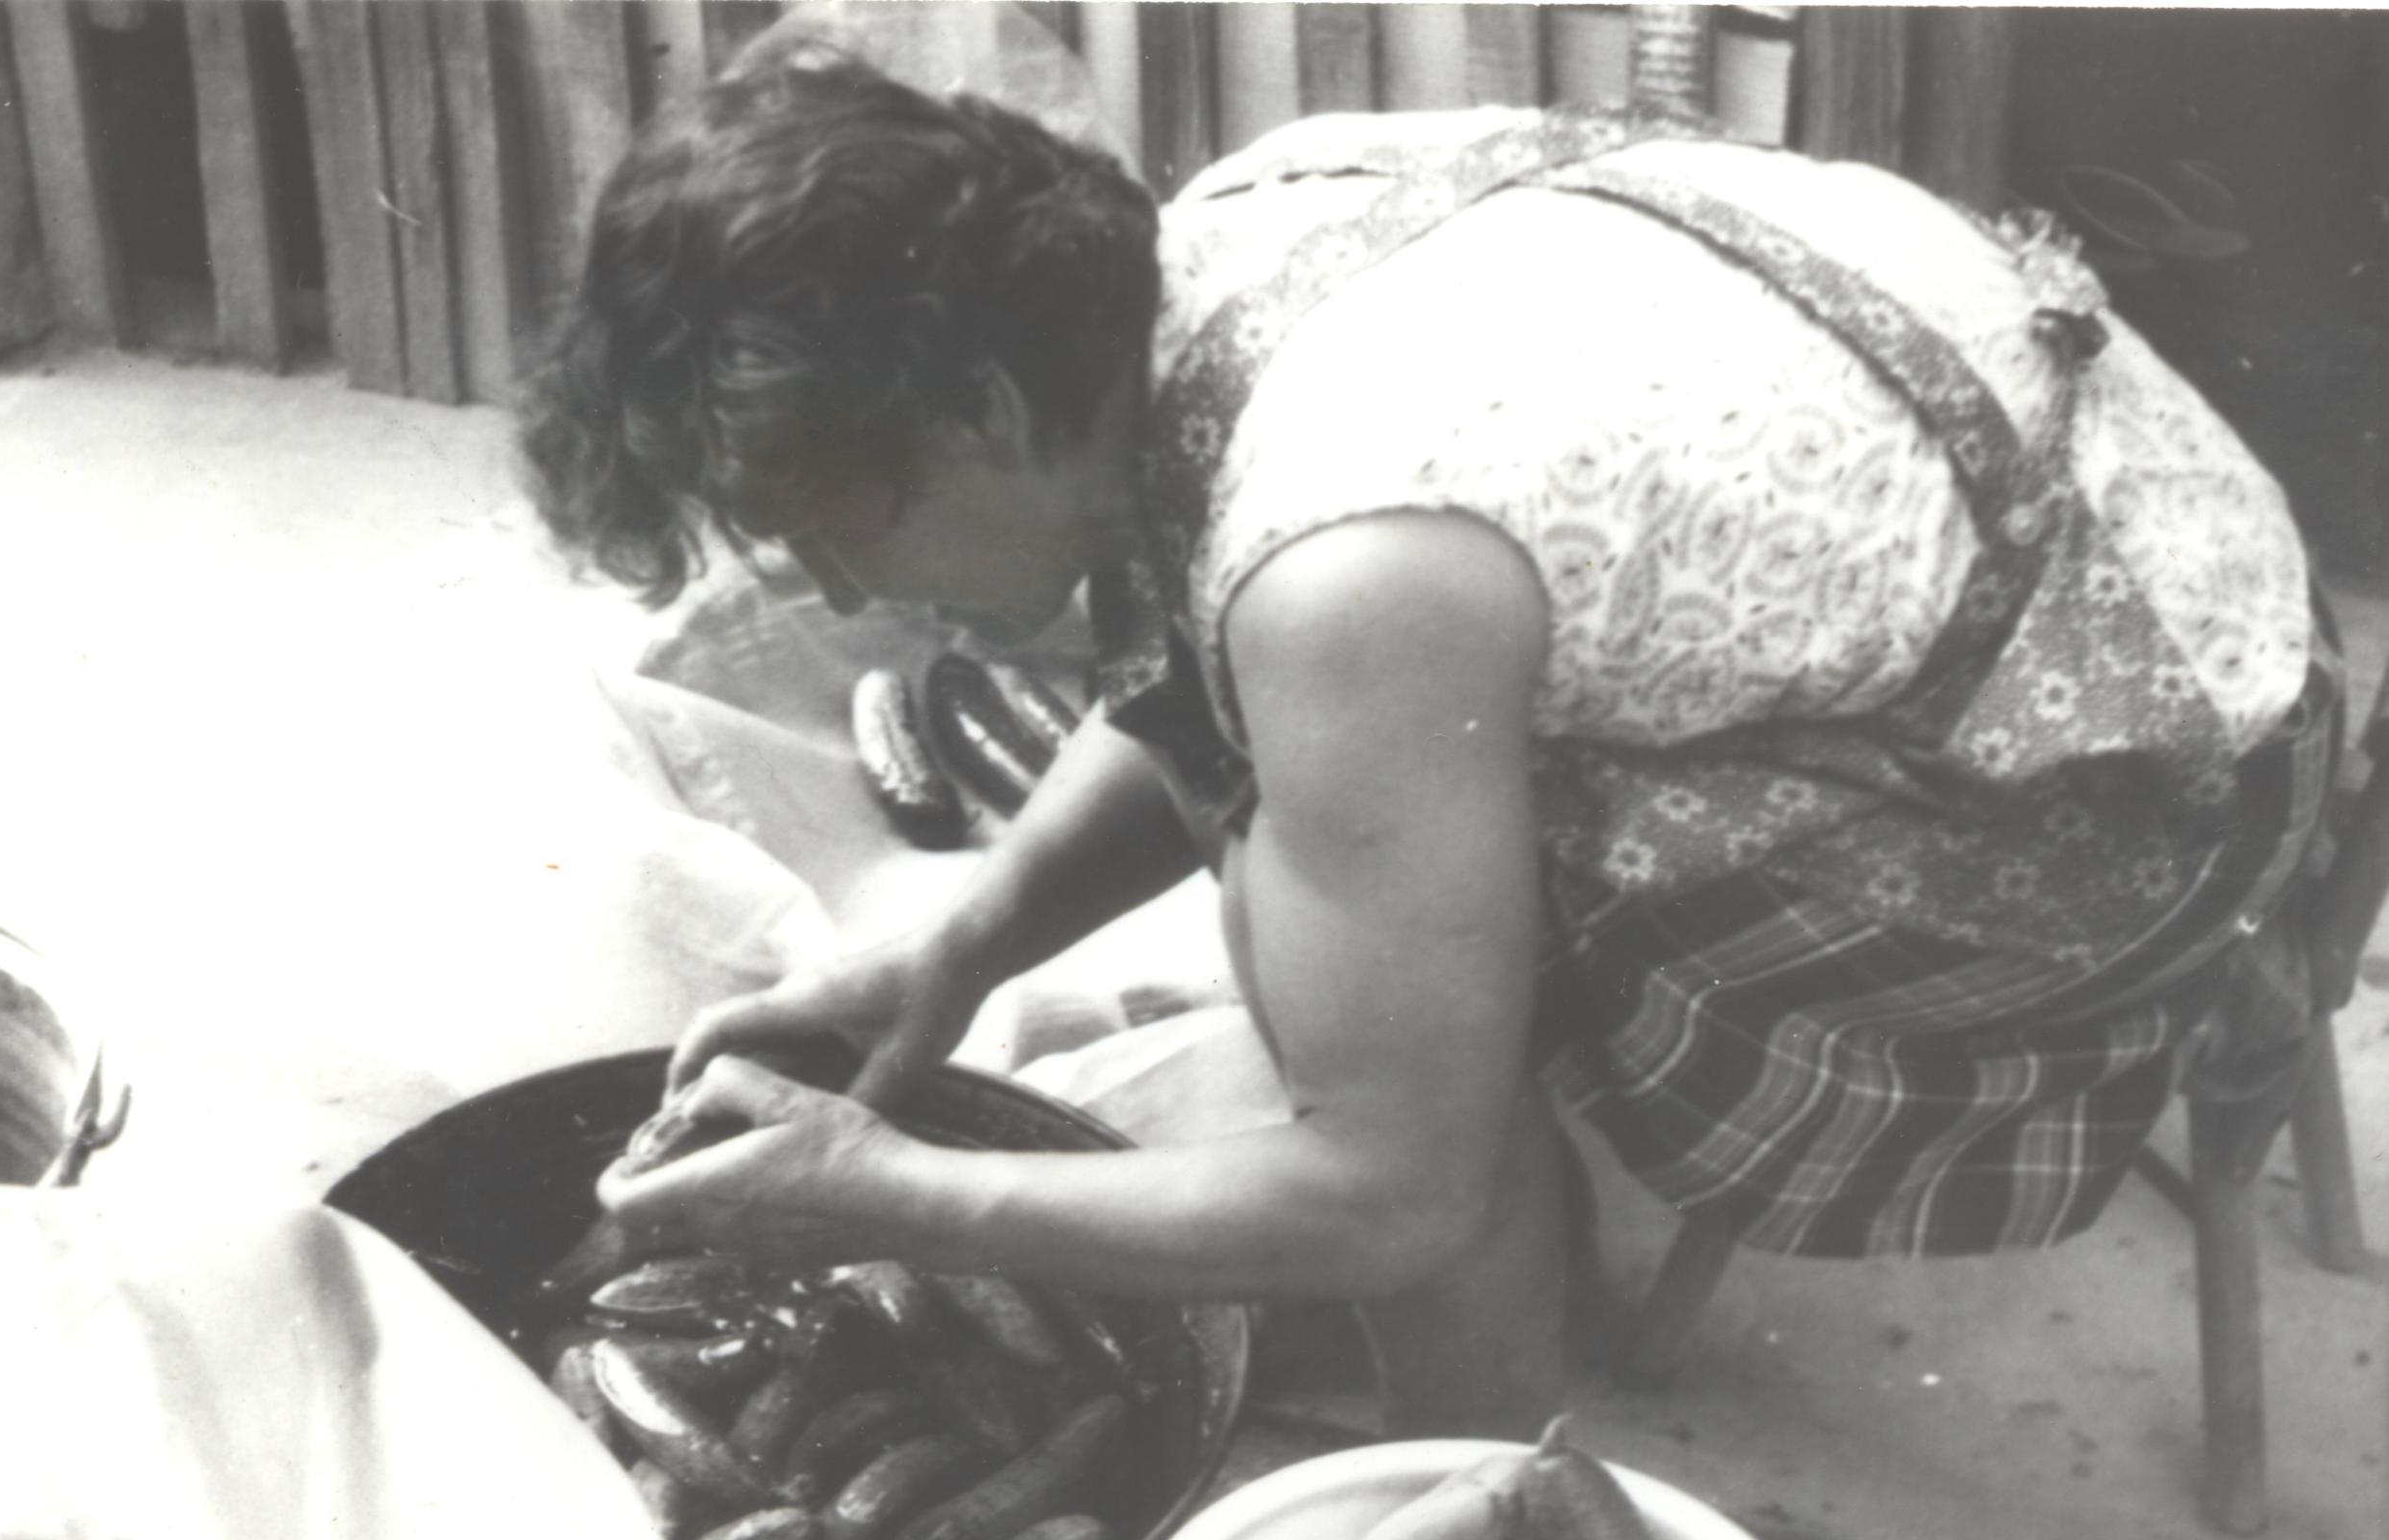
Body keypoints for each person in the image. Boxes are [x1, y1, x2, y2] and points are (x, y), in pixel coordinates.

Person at [517, 48, 2337, 1439]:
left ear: (983, 410)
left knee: (1319, 969)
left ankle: (1468, 1499)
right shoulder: (1221, 227)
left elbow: (1389, 1195)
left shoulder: (1351, 566)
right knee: (1311, 829)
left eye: (838, 535)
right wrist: (964, 940)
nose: (855, 599)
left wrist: (890, 1198)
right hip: (2158, 566)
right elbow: (1194, 659)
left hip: (2124, 788)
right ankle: (1454, 1273)